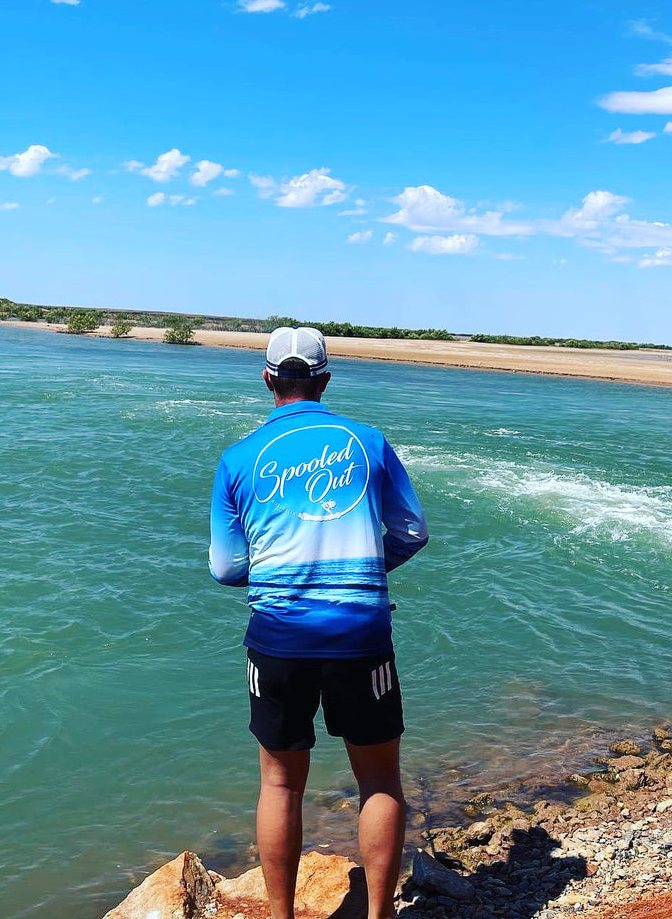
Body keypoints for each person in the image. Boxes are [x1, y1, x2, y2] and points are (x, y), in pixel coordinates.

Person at [208, 326, 428, 919]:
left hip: (277, 639)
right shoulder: (369, 442)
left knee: (280, 785)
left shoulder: (238, 458)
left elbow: (227, 569)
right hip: (361, 635)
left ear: (267, 379)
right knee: (379, 781)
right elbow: (412, 532)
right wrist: (362, 572)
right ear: (325, 381)